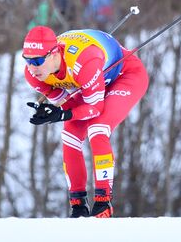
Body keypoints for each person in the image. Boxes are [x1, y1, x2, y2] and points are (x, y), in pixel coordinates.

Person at [22, 25, 149, 218]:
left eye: (38, 61)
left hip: (124, 76)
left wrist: (62, 115)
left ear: (54, 53)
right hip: (90, 84)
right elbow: (67, 104)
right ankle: (78, 206)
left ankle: (103, 202)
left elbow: (95, 108)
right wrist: (52, 112)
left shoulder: (83, 62)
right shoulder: (34, 75)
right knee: (69, 136)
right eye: (28, 60)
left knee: (98, 129)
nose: (32, 68)